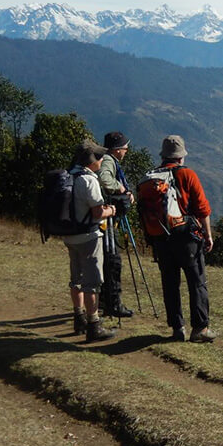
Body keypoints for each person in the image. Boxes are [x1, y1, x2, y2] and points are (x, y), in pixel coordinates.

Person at [145, 135, 217, 343]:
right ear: (181, 157)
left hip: (161, 238)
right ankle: (200, 329)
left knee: (170, 282)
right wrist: (208, 235)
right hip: (186, 238)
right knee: (196, 282)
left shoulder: (152, 177)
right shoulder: (187, 175)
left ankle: (177, 328)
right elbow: (203, 209)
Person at [65, 139, 119, 343]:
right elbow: (97, 212)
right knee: (92, 282)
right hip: (88, 236)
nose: (102, 159)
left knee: (76, 277)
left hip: (70, 235)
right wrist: (112, 210)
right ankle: (93, 325)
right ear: (91, 160)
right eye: (98, 156)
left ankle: (78, 317)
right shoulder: (89, 180)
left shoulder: (69, 175)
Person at [99, 130, 135, 318]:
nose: (127, 149)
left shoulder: (108, 160)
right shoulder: (107, 161)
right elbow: (104, 179)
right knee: (113, 261)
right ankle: (113, 304)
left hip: (107, 218)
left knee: (108, 260)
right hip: (106, 219)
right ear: (117, 149)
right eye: (125, 146)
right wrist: (120, 187)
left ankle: (104, 301)